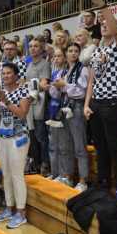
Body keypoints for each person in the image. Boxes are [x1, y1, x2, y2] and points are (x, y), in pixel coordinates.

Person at [84, 0, 117, 203]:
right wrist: (86, 104)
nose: (104, 27)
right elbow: (91, 80)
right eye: (101, 25)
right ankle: (102, 183)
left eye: (106, 24)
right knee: (100, 147)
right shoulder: (96, 51)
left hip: (113, 103)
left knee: (114, 147)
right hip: (96, 104)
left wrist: (102, 6)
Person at [0, 63, 31, 228]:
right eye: (3, 73)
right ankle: (9, 208)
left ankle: (21, 213)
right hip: (2, 137)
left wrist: (6, 101)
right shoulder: (1, 92)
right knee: (6, 174)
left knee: (16, 174)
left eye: (8, 73)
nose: (5, 76)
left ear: (15, 75)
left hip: (19, 137)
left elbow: (22, 113)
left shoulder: (24, 91)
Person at [51, 43, 89, 192]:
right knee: (65, 145)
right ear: (66, 54)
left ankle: (83, 180)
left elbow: (81, 91)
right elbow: (55, 94)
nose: (73, 53)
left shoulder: (83, 69)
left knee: (80, 145)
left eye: (76, 51)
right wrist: (54, 86)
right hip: (64, 108)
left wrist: (64, 85)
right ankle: (67, 176)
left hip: (77, 108)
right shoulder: (64, 70)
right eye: (70, 51)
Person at [26, 37, 51, 176]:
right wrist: (31, 84)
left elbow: (43, 85)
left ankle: (45, 164)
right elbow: (33, 84)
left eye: (36, 46)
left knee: (41, 137)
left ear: (41, 49)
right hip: (29, 105)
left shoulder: (44, 64)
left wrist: (29, 84)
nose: (33, 48)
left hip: (40, 105)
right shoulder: (29, 64)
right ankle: (36, 163)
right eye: (30, 46)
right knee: (33, 137)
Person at [46, 49, 68, 179]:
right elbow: (53, 93)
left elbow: (60, 92)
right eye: (54, 56)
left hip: (62, 108)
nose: (56, 58)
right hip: (53, 108)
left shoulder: (66, 72)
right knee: (52, 144)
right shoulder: (54, 73)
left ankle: (63, 174)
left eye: (59, 56)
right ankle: (54, 173)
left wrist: (54, 88)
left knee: (62, 145)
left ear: (65, 58)